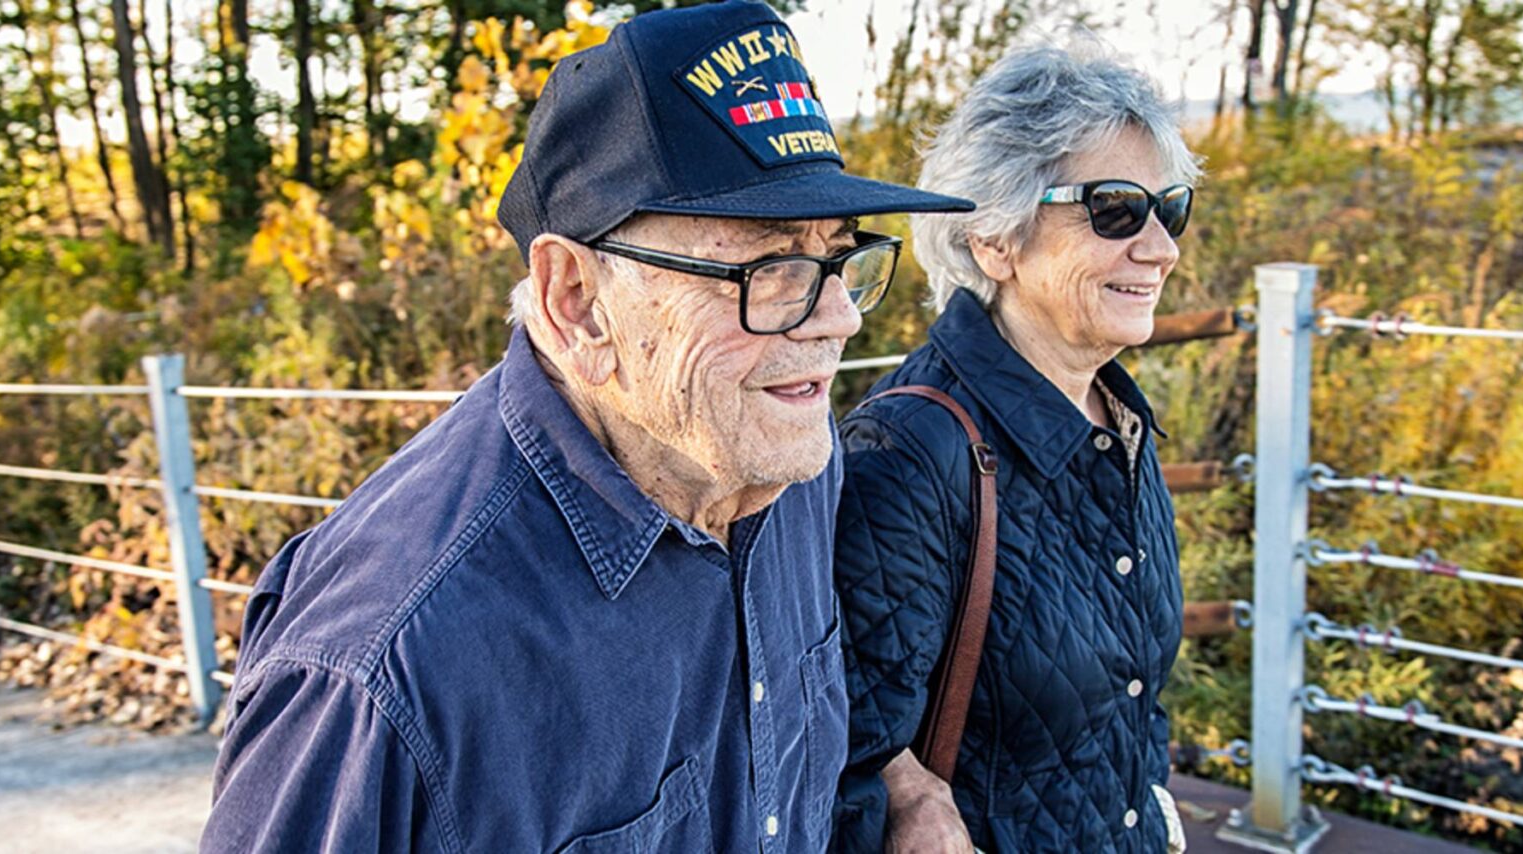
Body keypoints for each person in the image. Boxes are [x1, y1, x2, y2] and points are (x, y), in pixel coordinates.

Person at [199, 2, 971, 851]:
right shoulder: (386, 662)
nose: (839, 319)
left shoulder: (788, 460)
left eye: (837, 255)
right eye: (771, 267)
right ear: (578, 301)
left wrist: (906, 786)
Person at [828, 39, 1200, 853]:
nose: (1162, 248)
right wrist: (905, 792)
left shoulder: (1116, 421)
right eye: (1114, 210)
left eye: (1167, 208)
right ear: (995, 238)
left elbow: (1131, 694)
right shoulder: (909, 456)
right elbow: (845, 745)